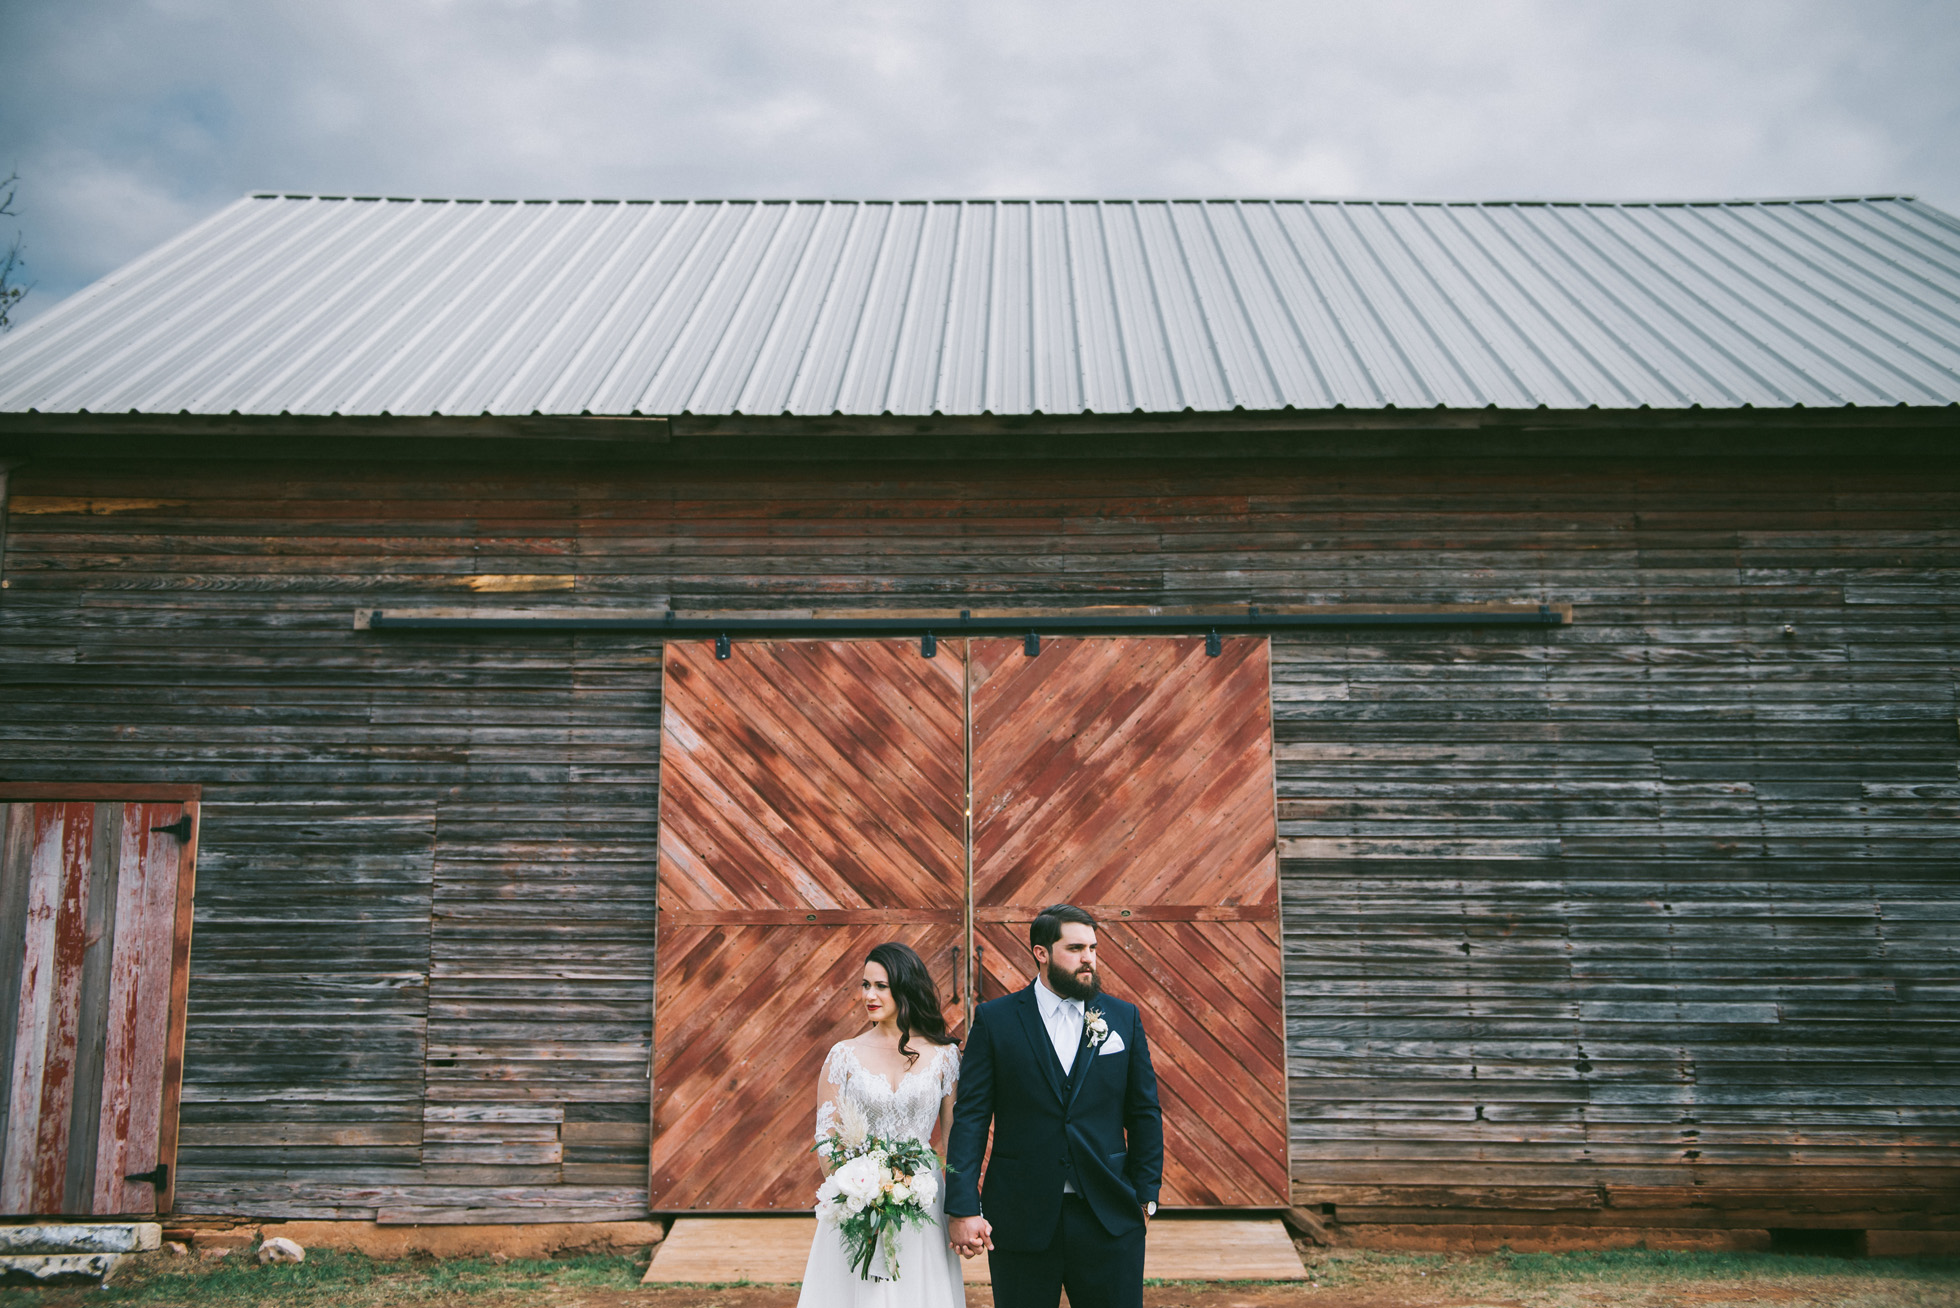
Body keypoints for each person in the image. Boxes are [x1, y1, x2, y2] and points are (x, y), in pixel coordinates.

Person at [944, 904, 1163, 1308]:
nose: (1088, 959)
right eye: (1076, 948)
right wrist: (961, 1206)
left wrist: (1145, 1194)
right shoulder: (995, 1020)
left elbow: (1145, 1111)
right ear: (1041, 953)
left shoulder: (1122, 1017)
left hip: (1108, 1213)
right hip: (1019, 1212)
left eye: (1093, 948)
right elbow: (971, 1117)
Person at [796, 941, 966, 1308]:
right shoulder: (844, 1054)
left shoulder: (945, 1056)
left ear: (905, 987)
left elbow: (953, 1137)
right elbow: (826, 1135)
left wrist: (959, 1203)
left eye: (880, 986)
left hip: (922, 1196)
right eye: (864, 985)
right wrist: (853, 1190)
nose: (869, 995)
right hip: (858, 1195)